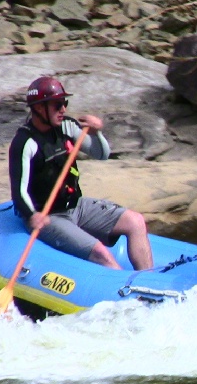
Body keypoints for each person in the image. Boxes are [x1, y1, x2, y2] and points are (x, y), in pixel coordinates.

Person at [9, 76, 153, 271]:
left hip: (76, 207)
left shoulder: (67, 127)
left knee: (135, 222)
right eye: (57, 105)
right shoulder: (25, 142)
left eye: (64, 103)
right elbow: (19, 192)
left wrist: (97, 133)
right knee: (101, 253)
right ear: (40, 108)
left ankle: (149, 279)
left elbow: (101, 154)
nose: (63, 109)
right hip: (49, 216)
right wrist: (32, 215)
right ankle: (129, 295)